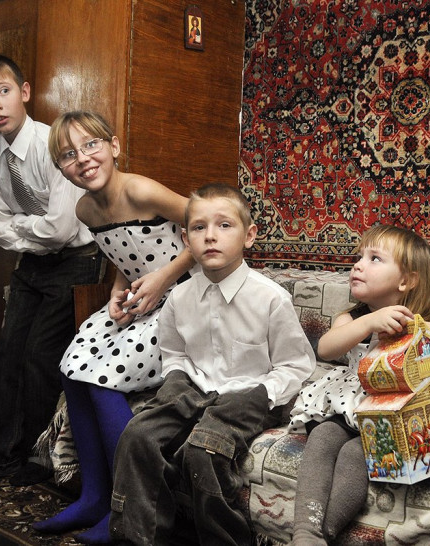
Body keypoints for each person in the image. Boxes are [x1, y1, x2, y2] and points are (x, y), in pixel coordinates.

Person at [108, 183, 317, 546]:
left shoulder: (271, 299)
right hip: (194, 388)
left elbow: (295, 366)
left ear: (248, 235)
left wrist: (260, 394)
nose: (210, 236)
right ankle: (138, 537)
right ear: (186, 240)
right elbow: (174, 353)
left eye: (224, 225)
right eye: (199, 227)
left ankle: (223, 539)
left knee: (204, 449)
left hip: (250, 395)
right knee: (138, 435)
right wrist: (176, 379)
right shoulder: (179, 297)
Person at [29, 110, 196, 543]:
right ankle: (93, 496)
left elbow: (208, 224)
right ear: (61, 168)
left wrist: (163, 278)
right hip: (143, 298)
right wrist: (116, 293)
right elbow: (122, 253)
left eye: (91, 145)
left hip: (187, 297)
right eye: (68, 154)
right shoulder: (86, 209)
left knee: (102, 378)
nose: (83, 158)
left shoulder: (140, 189)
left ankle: (131, 506)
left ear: (114, 146)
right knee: (72, 367)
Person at [0, 55, 104, 489]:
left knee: (40, 358)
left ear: (25, 92)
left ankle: (41, 455)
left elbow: (61, 228)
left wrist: (23, 225)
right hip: (31, 265)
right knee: (8, 357)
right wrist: (32, 230)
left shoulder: (54, 144)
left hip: (77, 260)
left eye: (4, 91)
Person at [288, 224, 430, 545]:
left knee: (355, 454)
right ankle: (304, 532)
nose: (358, 265)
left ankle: (323, 534)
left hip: (396, 415)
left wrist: (418, 326)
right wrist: (369, 322)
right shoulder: (353, 317)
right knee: (323, 436)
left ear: (406, 281)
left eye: (374, 259)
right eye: (359, 257)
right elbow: (326, 349)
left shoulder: (428, 316)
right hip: (352, 407)